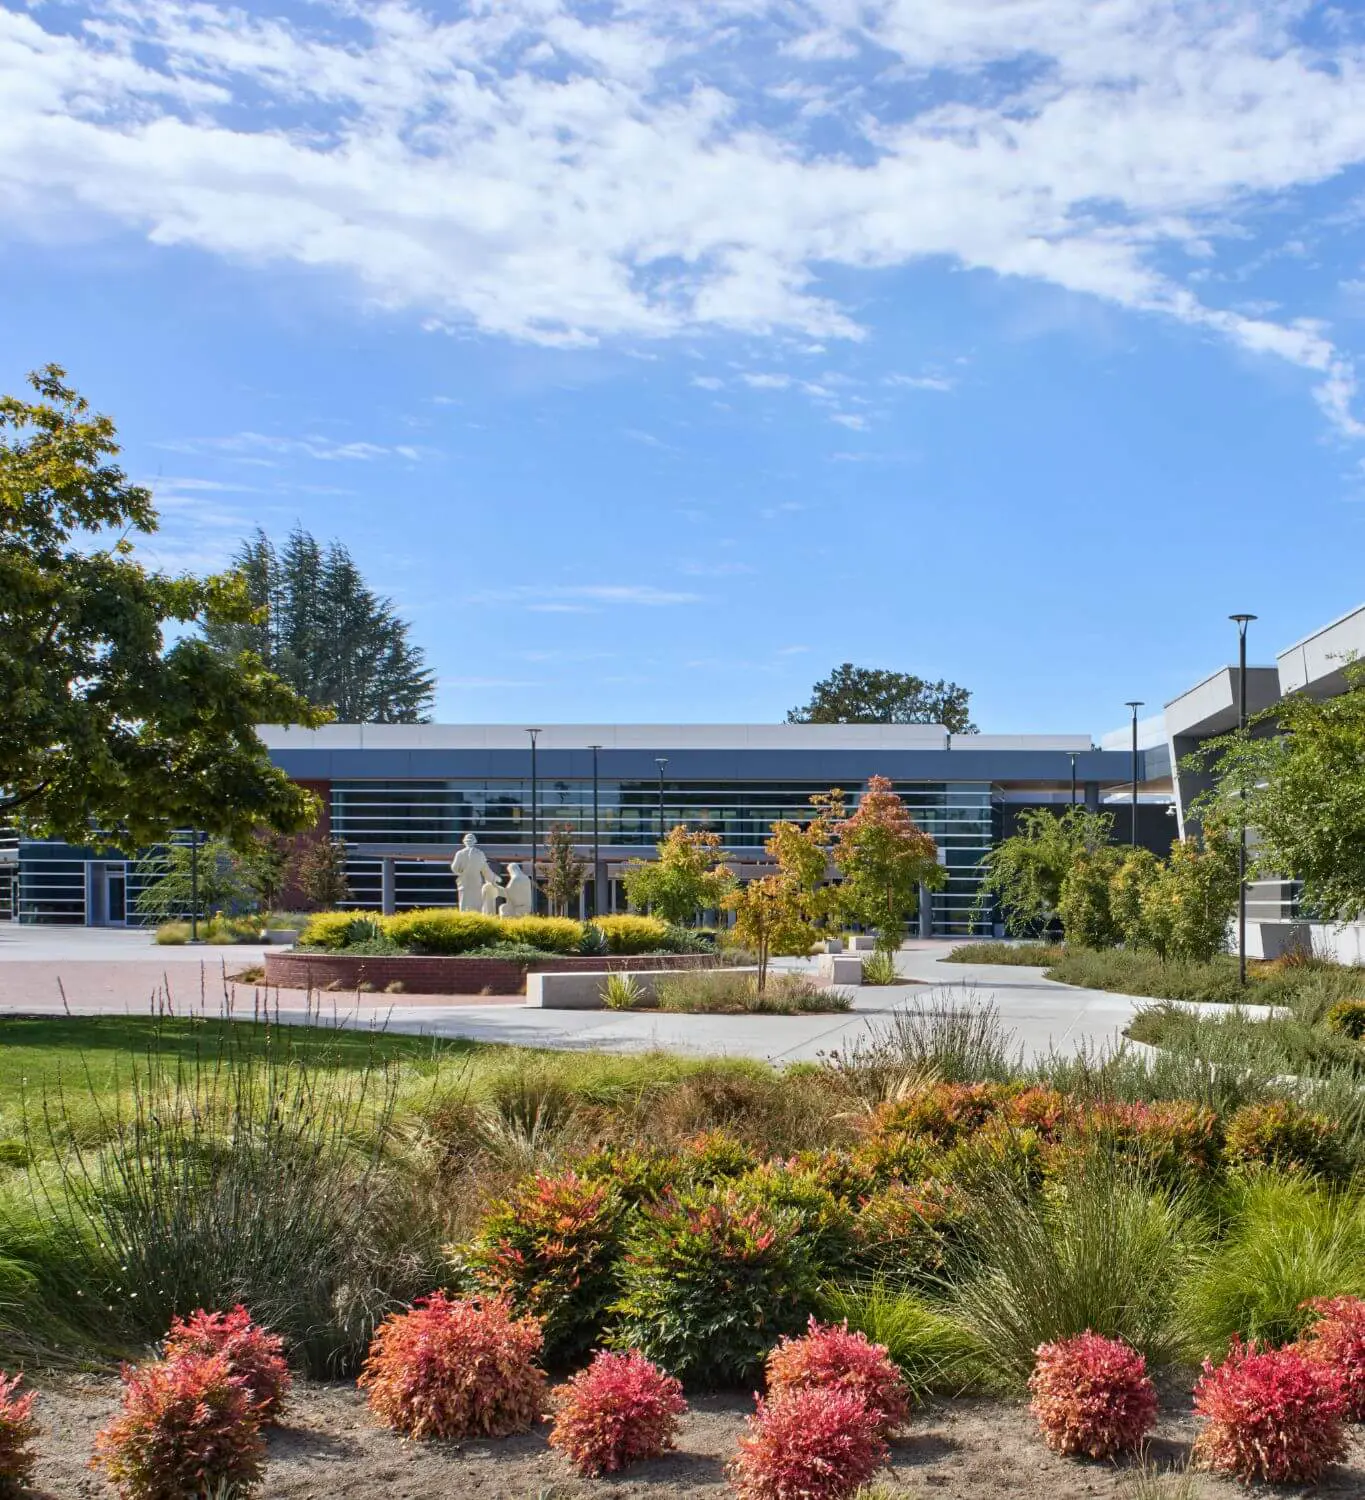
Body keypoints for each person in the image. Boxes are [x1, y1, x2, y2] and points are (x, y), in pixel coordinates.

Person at [450, 832, 493, 913]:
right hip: (476, 880)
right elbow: (485, 869)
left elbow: (454, 868)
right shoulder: (480, 853)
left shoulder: (460, 853)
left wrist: (461, 873)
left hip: (464, 880)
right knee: (477, 901)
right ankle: (476, 917)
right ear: (474, 842)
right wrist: (492, 879)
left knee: (464, 902)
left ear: (464, 842)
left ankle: (465, 917)